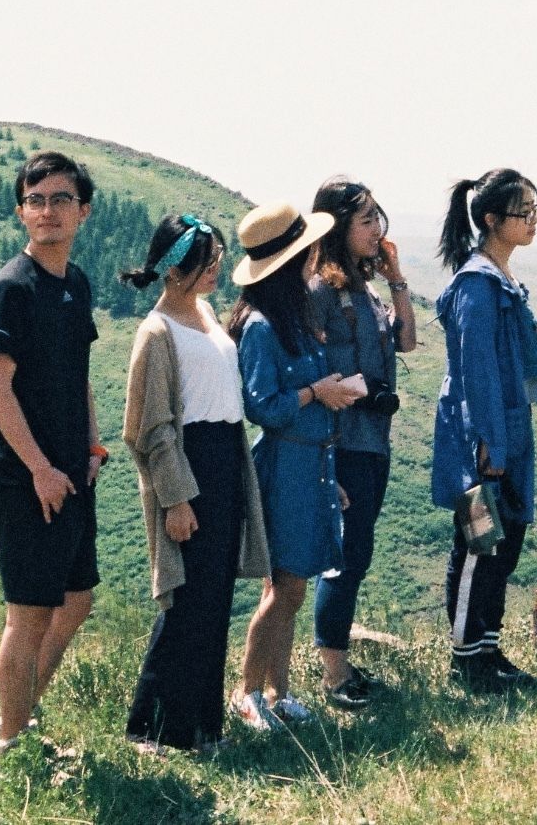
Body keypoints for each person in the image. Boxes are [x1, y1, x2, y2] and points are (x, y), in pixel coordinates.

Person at [122, 215, 271, 754]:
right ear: (177, 267)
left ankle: (203, 727)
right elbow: (150, 427)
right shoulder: (156, 333)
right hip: (192, 468)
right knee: (187, 601)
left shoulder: (207, 314)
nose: (217, 269)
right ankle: (153, 726)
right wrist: (176, 497)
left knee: (214, 600)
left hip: (226, 462)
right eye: (207, 260)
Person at [0, 151, 104, 773]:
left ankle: (21, 721)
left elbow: (78, 376)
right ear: (21, 210)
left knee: (76, 601)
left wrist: (92, 447)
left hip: (72, 472)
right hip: (27, 479)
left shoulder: (75, 284)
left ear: (82, 210)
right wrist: (42, 471)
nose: (47, 211)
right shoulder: (13, 289)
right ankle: (7, 746)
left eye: (60, 199)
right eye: (36, 200)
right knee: (28, 615)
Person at [229, 200, 365, 730]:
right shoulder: (264, 327)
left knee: (291, 586)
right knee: (283, 587)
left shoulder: (293, 321)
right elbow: (262, 405)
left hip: (309, 465)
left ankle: (278, 692)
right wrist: (316, 392)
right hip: (286, 465)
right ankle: (247, 692)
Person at [431, 167, 537, 691]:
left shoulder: (499, 281)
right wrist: (489, 441)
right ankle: (466, 656)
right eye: (522, 211)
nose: (531, 220)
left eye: (533, 209)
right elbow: (476, 372)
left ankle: (489, 647)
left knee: (506, 542)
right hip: (485, 431)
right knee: (480, 540)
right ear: (490, 219)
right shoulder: (476, 288)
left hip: (507, 425)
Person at [307, 177, 417, 708]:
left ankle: (338, 661)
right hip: (341, 443)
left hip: (372, 441)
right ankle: (332, 674)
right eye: (366, 220)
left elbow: (408, 341)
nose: (377, 229)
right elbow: (314, 370)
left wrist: (396, 279)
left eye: (379, 218)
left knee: (359, 551)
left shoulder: (366, 289)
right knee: (344, 556)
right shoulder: (320, 291)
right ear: (337, 226)